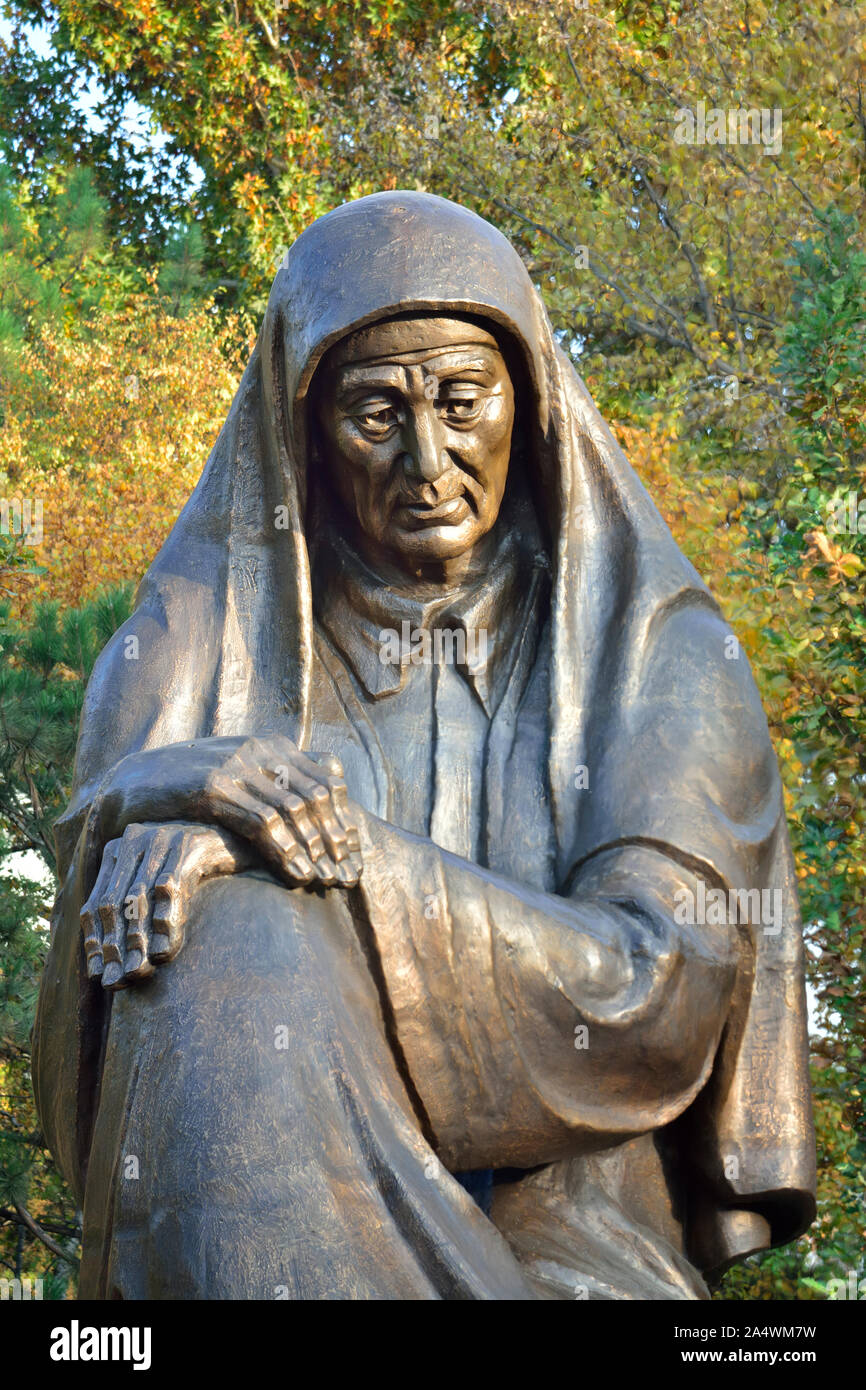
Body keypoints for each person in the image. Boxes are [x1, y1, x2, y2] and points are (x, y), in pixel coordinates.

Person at [33, 191, 815, 1300]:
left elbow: (656, 987)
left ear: (526, 402)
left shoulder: (657, 653)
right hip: (244, 1238)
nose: (426, 459)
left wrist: (306, 852)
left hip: (578, 1253)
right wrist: (164, 786)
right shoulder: (197, 636)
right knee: (221, 940)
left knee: (240, 898)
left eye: (460, 401)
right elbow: (100, 978)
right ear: (303, 427)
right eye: (371, 414)